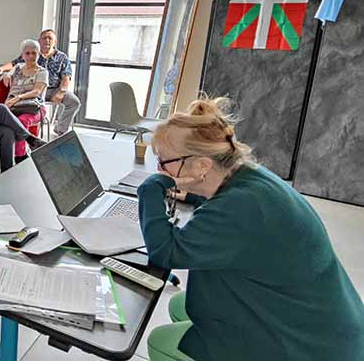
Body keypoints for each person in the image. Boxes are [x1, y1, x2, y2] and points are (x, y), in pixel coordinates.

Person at [139, 96, 364, 361]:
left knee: (160, 341)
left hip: (307, 348)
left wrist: (151, 188)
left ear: (202, 165)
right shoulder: (247, 178)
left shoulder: (239, 209)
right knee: (181, 305)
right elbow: (233, 210)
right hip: (327, 326)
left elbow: (165, 252)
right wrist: (191, 194)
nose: (160, 169)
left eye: (165, 162)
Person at [0, 29, 79, 136]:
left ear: (55, 41)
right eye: (44, 38)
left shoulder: (62, 57)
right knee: (26, 107)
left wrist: (61, 91)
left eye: (50, 38)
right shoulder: (32, 53)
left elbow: (66, 76)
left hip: (54, 89)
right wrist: (3, 70)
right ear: (39, 40)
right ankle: (26, 131)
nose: (47, 40)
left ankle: (60, 130)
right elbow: (14, 63)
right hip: (33, 89)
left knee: (74, 102)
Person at [1, 39, 48, 163]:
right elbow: (8, 73)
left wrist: (18, 98)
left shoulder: (42, 72)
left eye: (34, 53)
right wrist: (6, 75)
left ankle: (20, 157)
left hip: (34, 108)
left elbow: (37, 92)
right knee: (2, 120)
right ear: (22, 55)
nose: (31, 56)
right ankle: (31, 142)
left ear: (39, 54)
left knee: (21, 121)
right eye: (27, 53)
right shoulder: (17, 67)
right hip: (13, 107)